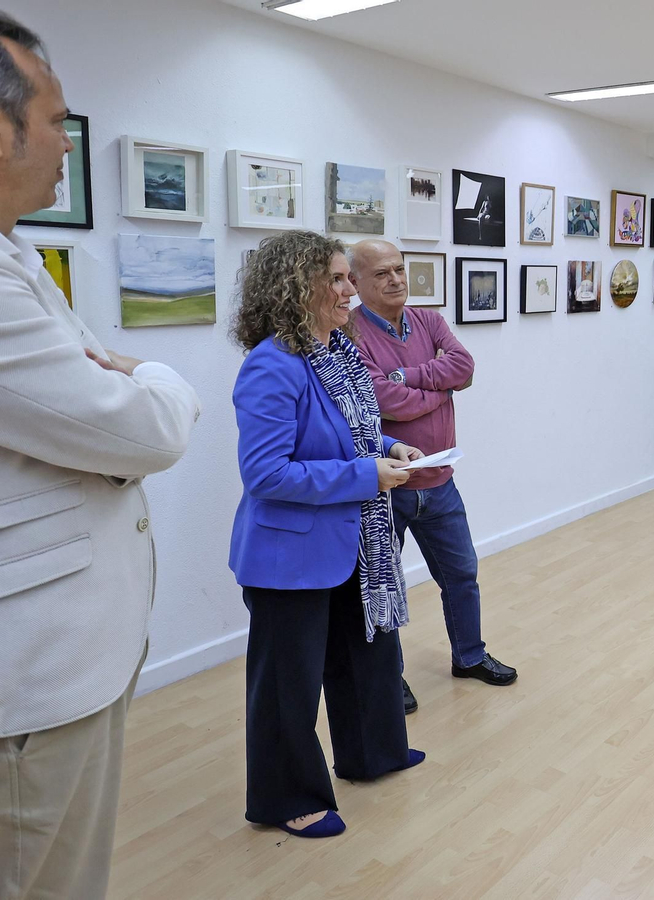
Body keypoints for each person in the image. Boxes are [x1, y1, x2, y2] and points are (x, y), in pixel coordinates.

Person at [0, 7, 201, 896]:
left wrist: (113, 402)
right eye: (56, 119)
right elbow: (141, 426)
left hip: (44, 676)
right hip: (16, 698)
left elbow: (91, 413)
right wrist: (157, 374)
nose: (69, 143)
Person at [229, 231, 426, 839]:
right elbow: (265, 473)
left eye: (348, 278)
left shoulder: (338, 351)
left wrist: (389, 447)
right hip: (290, 552)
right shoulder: (271, 364)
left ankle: (374, 754)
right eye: (337, 280)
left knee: (364, 655)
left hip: (350, 540)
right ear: (296, 288)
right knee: (288, 685)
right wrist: (367, 474)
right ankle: (287, 797)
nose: (350, 291)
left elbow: (353, 432)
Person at [348, 239, 517, 718]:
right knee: (386, 585)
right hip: (388, 484)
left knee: (462, 574)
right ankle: (388, 675)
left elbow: (463, 366)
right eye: (381, 274)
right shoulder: (352, 332)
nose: (396, 279)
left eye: (399, 270)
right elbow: (380, 400)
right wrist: (438, 391)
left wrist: (406, 375)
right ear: (357, 282)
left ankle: (470, 656)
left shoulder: (429, 319)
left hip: (440, 479)